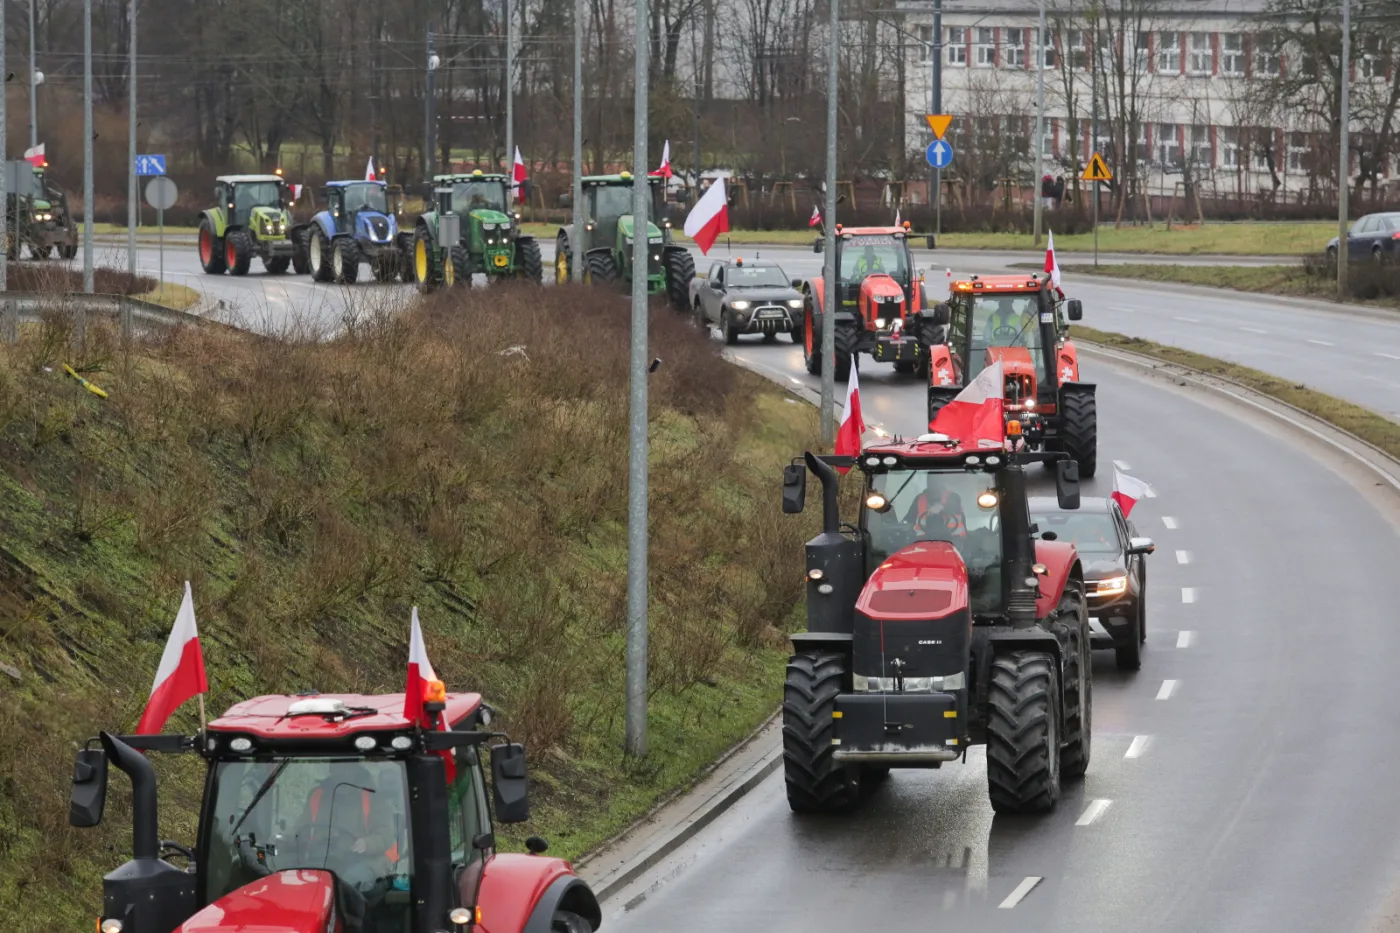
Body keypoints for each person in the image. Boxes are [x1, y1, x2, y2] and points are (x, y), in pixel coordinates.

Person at [911, 476, 967, 541]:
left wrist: (941, 507)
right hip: (923, 542)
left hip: (954, 541)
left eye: (936, 480)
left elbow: (955, 508)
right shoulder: (919, 499)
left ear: (942, 481)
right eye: (930, 480)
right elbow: (909, 519)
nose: (933, 483)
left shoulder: (953, 497)